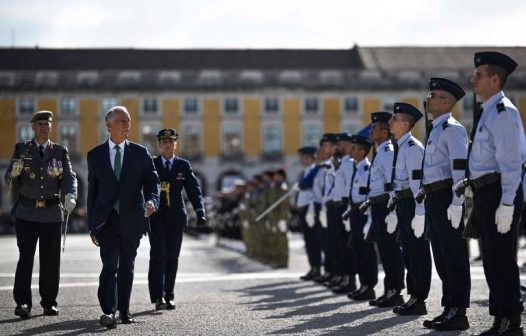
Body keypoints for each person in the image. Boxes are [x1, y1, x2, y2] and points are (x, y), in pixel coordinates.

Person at [466, 52, 525, 335]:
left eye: (478, 75)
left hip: (499, 191)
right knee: (491, 258)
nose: (472, 79)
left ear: (495, 79)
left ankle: (511, 320)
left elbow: (511, 161)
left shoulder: (504, 111)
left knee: (501, 258)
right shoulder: (488, 109)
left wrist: (507, 203)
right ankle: (499, 316)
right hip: (485, 192)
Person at [87, 106, 160, 329]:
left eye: (128, 121)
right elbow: (93, 193)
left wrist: (152, 201)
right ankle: (109, 310)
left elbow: (152, 181)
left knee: (126, 265)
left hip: (132, 218)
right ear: (108, 125)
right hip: (107, 220)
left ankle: (124, 309)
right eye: (121, 121)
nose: (126, 125)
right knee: (110, 265)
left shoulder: (140, 153)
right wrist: (93, 225)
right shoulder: (95, 155)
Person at [4, 110, 77, 320]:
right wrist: (13, 174)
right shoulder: (21, 149)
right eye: (41, 124)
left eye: (47, 124)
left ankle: (49, 303)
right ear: (33, 127)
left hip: (51, 213)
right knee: (25, 259)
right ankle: (23, 303)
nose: (45, 127)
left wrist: (71, 194)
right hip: (26, 212)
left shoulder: (60, 151)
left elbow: (70, 176)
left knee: (50, 261)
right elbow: (7, 178)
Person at [419, 78, 470, 331]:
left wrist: (457, 202)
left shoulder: (452, 129)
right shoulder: (435, 129)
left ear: (446, 101)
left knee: (454, 255)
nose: (429, 99)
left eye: (434, 95)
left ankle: (459, 311)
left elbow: (459, 167)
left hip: (446, 198)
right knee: (441, 256)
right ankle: (449, 307)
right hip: (433, 198)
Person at [148, 128, 206, 310]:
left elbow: (193, 189)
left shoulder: (183, 165)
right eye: (164, 141)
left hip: (176, 218)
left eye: (170, 141)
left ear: (175, 144)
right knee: (158, 255)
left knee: (172, 257)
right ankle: (157, 296)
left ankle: (169, 295)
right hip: (156, 218)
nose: (167, 144)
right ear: (159, 145)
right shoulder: (151, 164)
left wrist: (199, 210)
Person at [387, 103, 431, 315]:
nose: (390, 122)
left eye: (394, 119)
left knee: (417, 252)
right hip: (403, 203)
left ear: (405, 124)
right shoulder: (401, 146)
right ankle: (413, 296)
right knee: (408, 252)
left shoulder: (413, 148)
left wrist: (420, 212)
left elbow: (417, 183)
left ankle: (419, 298)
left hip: (413, 204)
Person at [363, 111, 405, 308]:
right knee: (384, 250)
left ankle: (395, 290)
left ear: (385, 131)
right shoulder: (380, 151)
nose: (371, 131)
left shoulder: (387, 152)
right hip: (378, 205)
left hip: (385, 206)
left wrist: (393, 212)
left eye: (374, 128)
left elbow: (392, 183)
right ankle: (389, 289)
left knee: (390, 249)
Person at [343, 134, 378, 301]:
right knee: (357, 249)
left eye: (354, 148)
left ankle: (369, 286)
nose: (351, 150)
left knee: (366, 252)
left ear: (362, 151)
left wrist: (369, 220)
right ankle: (363, 285)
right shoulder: (357, 168)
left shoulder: (366, 170)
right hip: (355, 213)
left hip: (364, 214)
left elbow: (368, 196)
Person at [296, 146, 323, 280]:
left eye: (304, 157)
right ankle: (313, 267)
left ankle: (317, 268)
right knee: (308, 241)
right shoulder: (305, 171)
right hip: (303, 209)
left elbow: (306, 185)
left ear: (310, 157)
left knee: (314, 240)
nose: (301, 159)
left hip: (309, 209)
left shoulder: (315, 170)